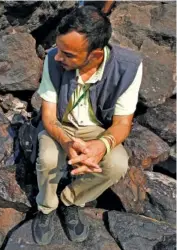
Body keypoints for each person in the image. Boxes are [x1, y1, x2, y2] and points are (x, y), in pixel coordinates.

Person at [32, 6, 143, 245]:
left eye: (69, 55)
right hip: (60, 125)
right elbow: (49, 116)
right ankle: (46, 207)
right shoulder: (53, 58)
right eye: (59, 48)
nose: (59, 57)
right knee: (49, 160)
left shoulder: (129, 66)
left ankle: (71, 200)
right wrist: (67, 142)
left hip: (96, 129)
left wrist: (101, 146)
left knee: (116, 164)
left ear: (95, 54)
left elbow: (123, 122)